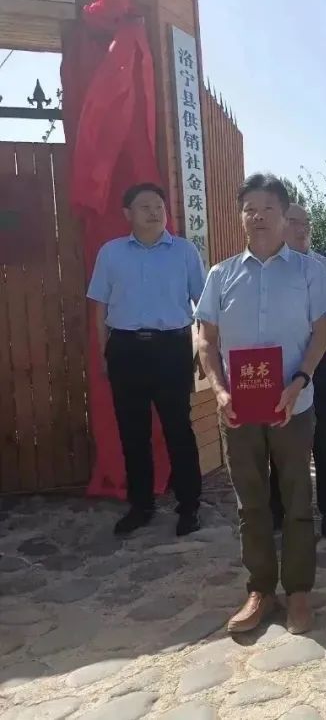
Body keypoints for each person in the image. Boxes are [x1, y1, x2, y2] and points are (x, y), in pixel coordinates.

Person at [196, 173, 326, 636]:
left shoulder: (309, 272)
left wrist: (299, 381)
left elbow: (321, 334)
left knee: (296, 499)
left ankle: (298, 592)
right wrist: (219, 390)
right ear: (241, 216)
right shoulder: (220, 275)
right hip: (238, 408)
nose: (257, 216)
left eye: (267, 208)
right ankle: (259, 589)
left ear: (284, 214)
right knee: (250, 502)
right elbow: (206, 341)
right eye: (249, 208)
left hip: (293, 404)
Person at [87, 183, 207, 537]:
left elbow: (203, 305)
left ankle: (189, 506)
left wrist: (203, 350)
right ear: (127, 214)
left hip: (172, 349)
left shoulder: (184, 251)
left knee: (178, 429)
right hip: (125, 350)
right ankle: (141, 505)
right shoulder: (111, 253)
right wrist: (104, 351)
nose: (154, 212)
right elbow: (99, 306)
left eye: (158, 206)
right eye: (145, 206)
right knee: (132, 432)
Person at [269, 203, 326, 539]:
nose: (303, 229)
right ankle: (278, 507)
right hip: (278, 360)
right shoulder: (268, 267)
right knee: (279, 430)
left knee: (323, 430)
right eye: (294, 222)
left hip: (318, 358)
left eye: (306, 223)